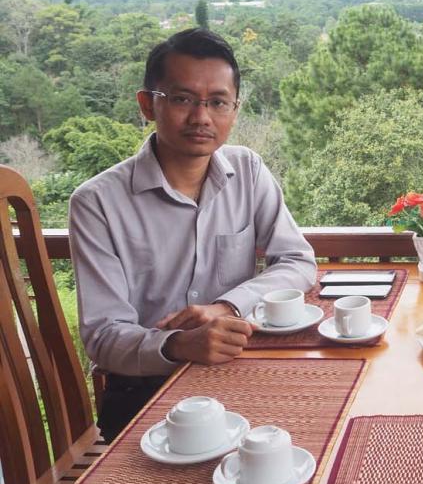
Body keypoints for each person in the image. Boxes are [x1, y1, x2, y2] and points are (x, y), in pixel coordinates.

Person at [69, 28, 316, 441]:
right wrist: (179, 345)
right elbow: (103, 334)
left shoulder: (248, 171)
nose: (202, 117)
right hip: (144, 391)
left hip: (239, 372)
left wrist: (227, 307)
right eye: (182, 99)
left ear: (234, 110)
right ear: (147, 104)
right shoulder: (97, 203)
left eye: (218, 102)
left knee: (304, 442)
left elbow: (297, 260)